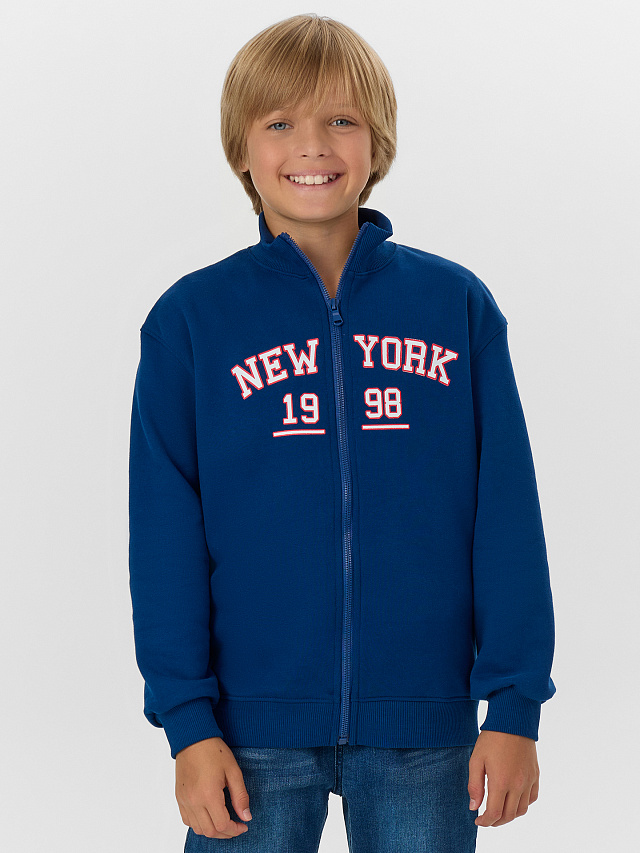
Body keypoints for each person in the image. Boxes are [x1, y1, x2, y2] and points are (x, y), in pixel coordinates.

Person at [128, 13, 557, 853]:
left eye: (340, 119)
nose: (312, 146)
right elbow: (164, 534)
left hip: (422, 730)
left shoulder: (455, 307)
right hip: (246, 732)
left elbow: (506, 511)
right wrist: (187, 722)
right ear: (240, 148)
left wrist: (515, 703)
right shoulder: (192, 321)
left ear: (377, 140)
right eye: (279, 123)